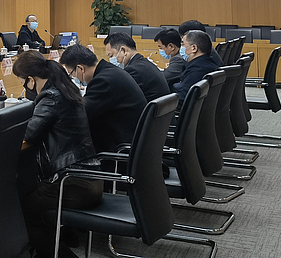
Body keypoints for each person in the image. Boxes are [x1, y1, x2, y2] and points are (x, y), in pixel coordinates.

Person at [14, 51, 102, 258]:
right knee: (31, 192)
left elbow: (29, 134)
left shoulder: (51, 97)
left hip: (72, 184)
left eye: (23, 83)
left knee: (23, 210)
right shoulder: (65, 89)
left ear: (31, 80)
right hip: (89, 179)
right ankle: (67, 236)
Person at [59, 44, 146, 153]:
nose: (73, 78)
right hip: (133, 141)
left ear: (80, 68)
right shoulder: (109, 72)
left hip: (121, 148)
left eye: (71, 74)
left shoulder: (104, 81)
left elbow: (80, 114)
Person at [104, 32, 169, 103]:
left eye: (111, 56)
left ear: (123, 51)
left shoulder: (133, 70)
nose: (110, 60)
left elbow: (118, 97)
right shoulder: (143, 63)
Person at [173, 29, 223, 106]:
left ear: (194, 48)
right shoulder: (207, 62)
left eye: (183, 44)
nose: (181, 47)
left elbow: (182, 98)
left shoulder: (197, 70)